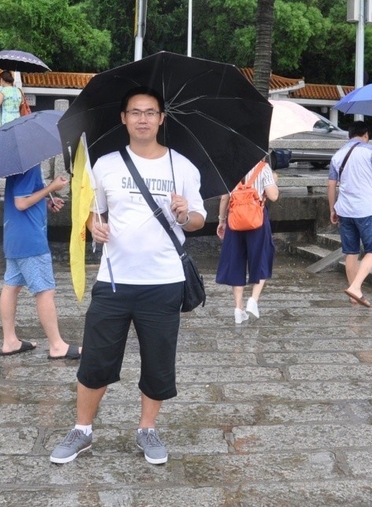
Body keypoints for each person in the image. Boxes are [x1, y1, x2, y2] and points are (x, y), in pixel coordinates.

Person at [50, 86, 206, 466]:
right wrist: (93, 225)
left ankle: (147, 428)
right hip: (114, 280)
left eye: (150, 112)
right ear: (123, 118)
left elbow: (199, 220)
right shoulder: (106, 165)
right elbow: (91, 210)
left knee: (158, 362)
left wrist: (185, 213)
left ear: (161, 118)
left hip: (164, 282)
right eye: (135, 112)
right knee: (96, 361)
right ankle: (82, 429)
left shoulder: (183, 167)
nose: (142, 119)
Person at [0, 165, 81, 360]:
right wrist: (51, 188)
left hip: (14, 236)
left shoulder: (16, 165)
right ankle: (57, 345)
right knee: (45, 291)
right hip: (30, 239)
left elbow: (23, 197)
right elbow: (21, 202)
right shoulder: (30, 165)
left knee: (11, 286)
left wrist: (45, 203)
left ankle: (10, 341)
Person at [327, 122, 372, 308]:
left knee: (351, 252)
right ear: (365, 134)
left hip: (344, 210)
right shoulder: (369, 150)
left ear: (350, 135)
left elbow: (331, 185)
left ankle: (353, 294)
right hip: (366, 209)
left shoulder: (338, 155)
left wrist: (332, 209)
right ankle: (356, 287)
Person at [215, 157, 279, 323]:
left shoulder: (230, 168)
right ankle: (253, 300)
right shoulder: (263, 168)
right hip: (257, 220)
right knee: (262, 257)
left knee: (236, 261)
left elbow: (224, 198)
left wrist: (222, 221)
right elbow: (273, 196)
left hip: (234, 220)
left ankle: (238, 308)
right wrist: (274, 180)